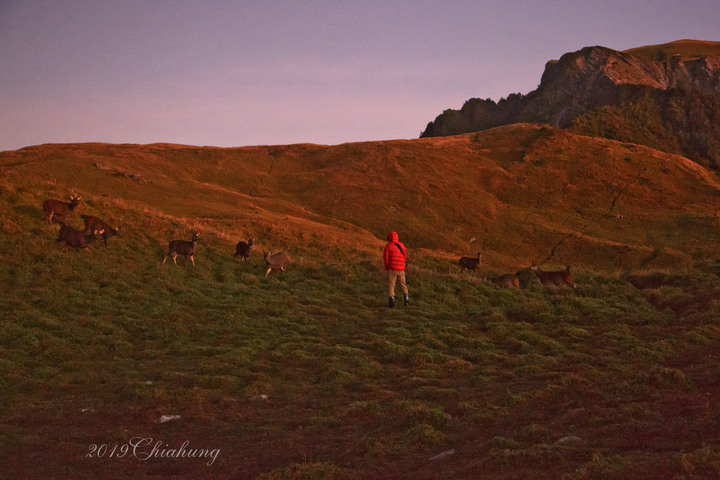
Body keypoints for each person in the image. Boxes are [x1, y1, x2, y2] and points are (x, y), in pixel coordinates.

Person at [383, 231, 409, 308]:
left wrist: (387, 267)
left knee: (391, 285)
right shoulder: (401, 245)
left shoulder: (388, 246)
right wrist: (402, 264)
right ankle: (406, 301)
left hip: (393, 269)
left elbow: (386, 259)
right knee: (403, 284)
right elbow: (404, 256)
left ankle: (392, 303)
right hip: (401, 268)